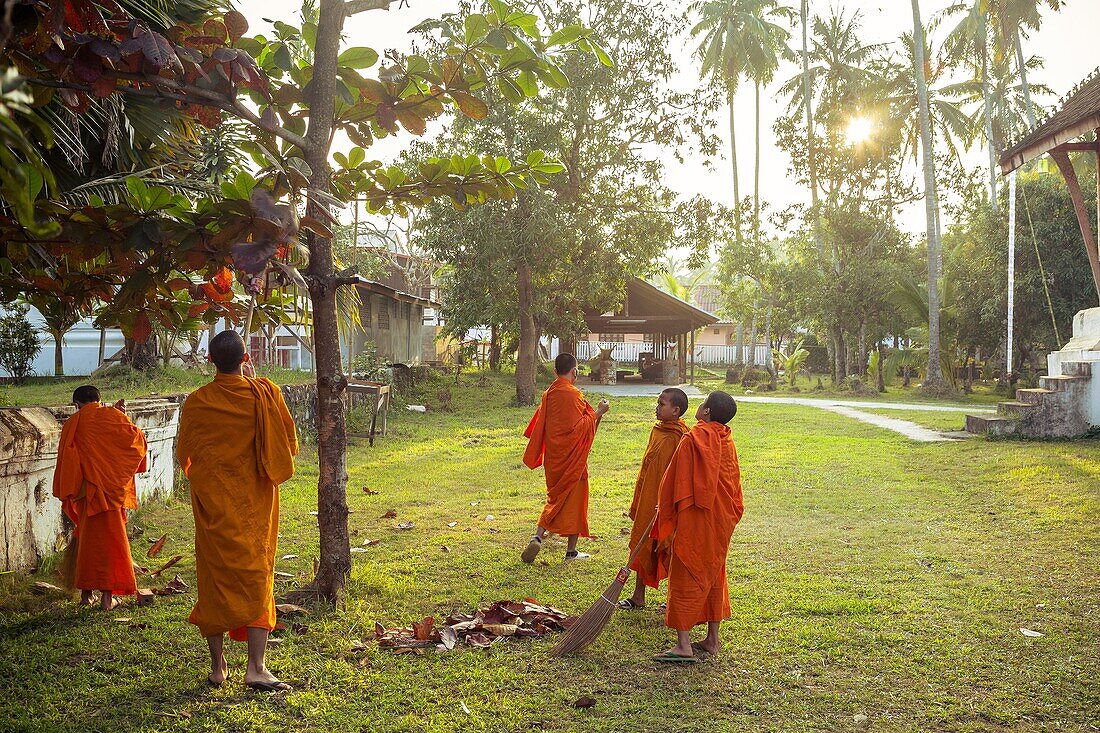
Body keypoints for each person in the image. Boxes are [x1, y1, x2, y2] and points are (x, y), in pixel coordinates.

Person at [177, 330, 298, 691]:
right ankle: (256, 667)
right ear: (246, 358)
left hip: (214, 503)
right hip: (254, 504)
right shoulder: (266, 393)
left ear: (210, 361)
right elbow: (287, 445)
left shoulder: (198, 401)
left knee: (214, 577)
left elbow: (186, 453)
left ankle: (218, 667)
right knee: (256, 573)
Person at [651, 390, 743, 663]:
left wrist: (664, 508)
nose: (699, 406)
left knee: (686, 570)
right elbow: (733, 483)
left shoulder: (693, 439)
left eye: (702, 403)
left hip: (695, 519)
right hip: (720, 520)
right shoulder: (727, 440)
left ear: (706, 413)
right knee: (714, 571)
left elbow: (674, 480)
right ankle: (712, 639)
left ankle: (684, 645)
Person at [52, 386, 148, 611]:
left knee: (86, 540)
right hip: (109, 489)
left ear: (76, 404)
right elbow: (137, 443)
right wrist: (121, 416)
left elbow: (67, 459)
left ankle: (86, 594)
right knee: (111, 542)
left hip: (85, 491)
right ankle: (107, 598)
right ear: (98, 399)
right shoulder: (112, 415)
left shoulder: (73, 423)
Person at [521, 353, 610, 563]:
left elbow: (541, 423)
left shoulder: (548, 394)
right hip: (573, 457)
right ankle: (571, 551)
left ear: (555, 371)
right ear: (575, 371)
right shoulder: (574, 395)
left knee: (555, 497)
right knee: (576, 500)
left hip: (554, 456)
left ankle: (538, 536)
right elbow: (580, 428)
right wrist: (599, 412)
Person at [618, 388, 689, 610]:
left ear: (676, 410)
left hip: (667, 502)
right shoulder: (657, 430)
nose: (657, 408)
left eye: (662, 404)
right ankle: (638, 596)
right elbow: (648, 466)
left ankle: (673, 601)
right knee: (642, 543)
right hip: (649, 498)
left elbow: (682, 473)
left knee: (670, 548)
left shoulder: (681, 436)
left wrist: (670, 502)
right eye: (657, 403)